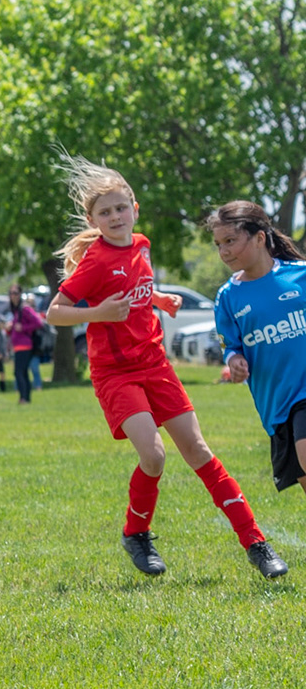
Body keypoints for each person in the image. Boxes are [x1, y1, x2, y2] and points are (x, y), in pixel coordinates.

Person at [45, 156, 285, 580]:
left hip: (156, 363)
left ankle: (257, 545)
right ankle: (136, 534)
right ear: (93, 219)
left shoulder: (141, 244)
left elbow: (134, 285)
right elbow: (55, 312)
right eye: (105, 212)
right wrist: (98, 313)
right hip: (116, 373)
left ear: (134, 208)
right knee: (153, 455)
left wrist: (157, 299)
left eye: (121, 208)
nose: (115, 216)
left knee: (199, 452)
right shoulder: (95, 261)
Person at [207, 202, 306, 507]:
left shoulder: (300, 277)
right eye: (218, 244)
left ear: (260, 237)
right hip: (276, 405)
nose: (224, 251)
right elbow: (232, 346)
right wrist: (234, 361)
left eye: (231, 241)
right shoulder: (228, 297)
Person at [3, 286, 46, 404]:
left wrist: (23, 328)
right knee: (23, 372)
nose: (13, 296)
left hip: (25, 345)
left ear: (20, 294)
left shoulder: (25, 309)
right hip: (17, 346)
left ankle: (24, 398)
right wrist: (10, 328)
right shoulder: (16, 311)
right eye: (11, 293)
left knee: (19, 372)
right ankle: (26, 398)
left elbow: (38, 322)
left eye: (15, 293)